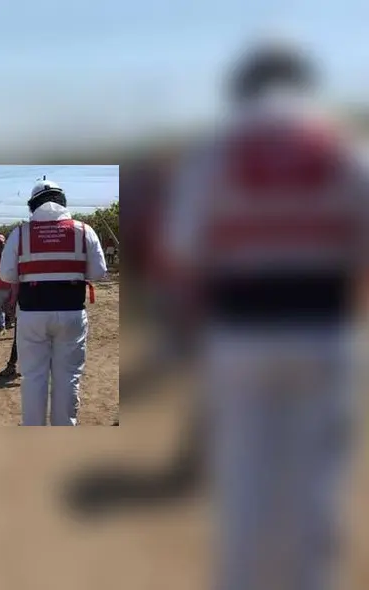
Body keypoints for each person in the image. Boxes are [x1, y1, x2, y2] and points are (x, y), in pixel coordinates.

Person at [164, 39, 369, 590]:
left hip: (239, 335)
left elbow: (184, 253)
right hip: (324, 330)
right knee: (315, 490)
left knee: (244, 486)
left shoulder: (214, 152)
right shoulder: (344, 146)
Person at [0, 179, 108, 426]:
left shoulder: (20, 233)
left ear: (32, 205)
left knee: (33, 378)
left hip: (32, 313)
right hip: (71, 311)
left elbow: (6, 274)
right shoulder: (83, 230)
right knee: (68, 377)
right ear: (62, 201)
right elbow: (99, 272)